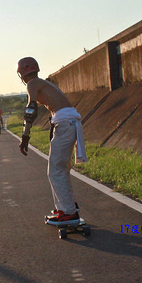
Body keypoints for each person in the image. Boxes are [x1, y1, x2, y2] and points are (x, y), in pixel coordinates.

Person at [16, 57, 87, 223]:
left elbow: (30, 109)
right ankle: (65, 207)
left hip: (64, 123)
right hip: (67, 122)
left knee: (55, 171)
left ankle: (68, 212)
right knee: (61, 169)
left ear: (21, 74)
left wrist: (25, 137)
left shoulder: (32, 83)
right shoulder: (43, 82)